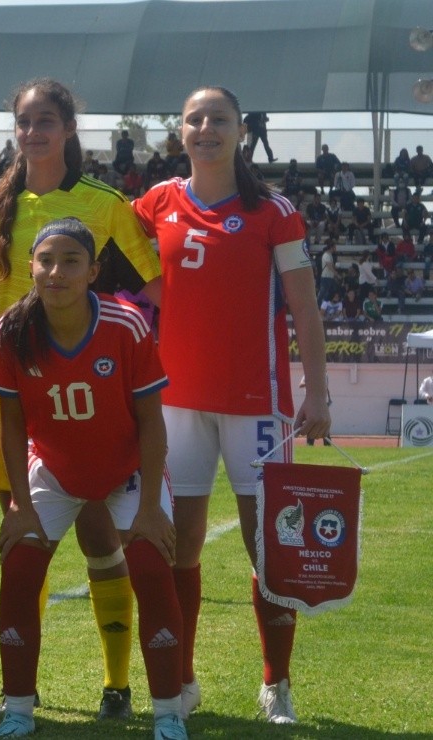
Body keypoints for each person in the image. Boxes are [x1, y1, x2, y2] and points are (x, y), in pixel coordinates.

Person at [0, 77, 163, 722]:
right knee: (24, 539)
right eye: (25, 121)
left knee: (104, 538)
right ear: (15, 130)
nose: (35, 131)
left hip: (92, 398)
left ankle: (118, 683)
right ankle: (24, 692)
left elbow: (156, 284)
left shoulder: (104, 204)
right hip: (9, 400)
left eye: (47, 120)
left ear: (69, 128)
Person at [133, 85, 331, 724]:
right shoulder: (155, 203)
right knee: (179, 542)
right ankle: (182, 681)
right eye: (194, 119)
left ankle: (277, 685)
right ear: (181, 132)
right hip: (177, 404)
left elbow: (303, 307)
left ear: (240, 131)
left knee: (267, 544)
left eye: (219, 119)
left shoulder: (274, 212)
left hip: (258, 405)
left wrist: (317, 391)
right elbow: (106, 253)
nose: (206, 128)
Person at [0, 218, 187, 740]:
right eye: (46, 260)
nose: (56, 271)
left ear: (93, 270)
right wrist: (22, 506)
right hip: (53, 468)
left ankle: (168, 713)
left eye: (71, 261)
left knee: (148, 563)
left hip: (128, 470)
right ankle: (18, 711)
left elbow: (150, 421)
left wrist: (147, 511)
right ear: (31, 266)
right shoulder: (11, 329)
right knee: (21, 566)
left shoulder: (125, 325)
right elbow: (11, 425)